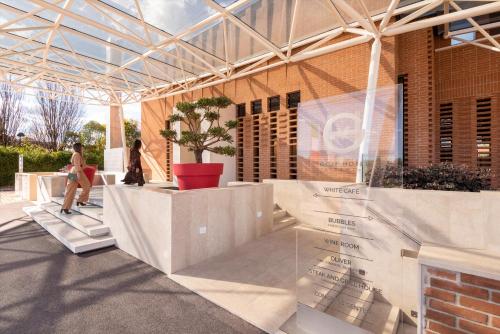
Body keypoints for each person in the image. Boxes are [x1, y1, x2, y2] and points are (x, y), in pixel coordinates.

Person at [61, 143, 91, 214]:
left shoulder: (76, 154)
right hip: (77, 172)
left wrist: (89, 167)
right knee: (86, 186)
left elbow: (82, 165)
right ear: (79, 148)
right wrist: (78, 174)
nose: (83, 148)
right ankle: (79, 200)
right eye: (82, 147)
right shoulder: (77, 154)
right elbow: (77, 165)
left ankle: (66, 207)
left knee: (70, 190)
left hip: (73, 172)